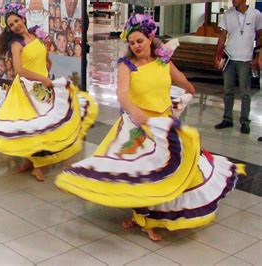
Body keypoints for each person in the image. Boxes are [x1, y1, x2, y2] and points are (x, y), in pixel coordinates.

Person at [55, 14, 243, 241]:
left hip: (164, 124)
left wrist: (189, 87)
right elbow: (122, 93)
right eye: (132, 43)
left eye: (140, 41)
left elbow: (178, 76)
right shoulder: (126, 65)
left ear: (150, 38)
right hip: (139, 127)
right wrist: (134, 111)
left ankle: (157, 215)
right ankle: (142, 218)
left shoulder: (163, 59)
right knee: (143, 174)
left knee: (173, 171)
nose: (136, 46)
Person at [0, 3, 97, 181]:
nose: (15, 25)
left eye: (16, 21)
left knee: (42, 122)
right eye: (11, 24)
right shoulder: (16, 44)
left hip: (42, 84)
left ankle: (29, 161)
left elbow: (43, 54)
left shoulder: (36, 34)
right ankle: (37, 166)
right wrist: (43, 79)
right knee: (34, 123)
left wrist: (47, 63)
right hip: (28, 87)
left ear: (23, 18)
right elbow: (19, 70)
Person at [214, 0, 262, 134]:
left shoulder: (255, 14)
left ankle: (245, 122)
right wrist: (217, 54)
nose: (233, 0)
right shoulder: (228, 14)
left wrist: (257, 55)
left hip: (245, 59)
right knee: (227, 90)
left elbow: (260, 36)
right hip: (229, 58)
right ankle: (227, 119)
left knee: (245, 93)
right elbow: (222, 37)